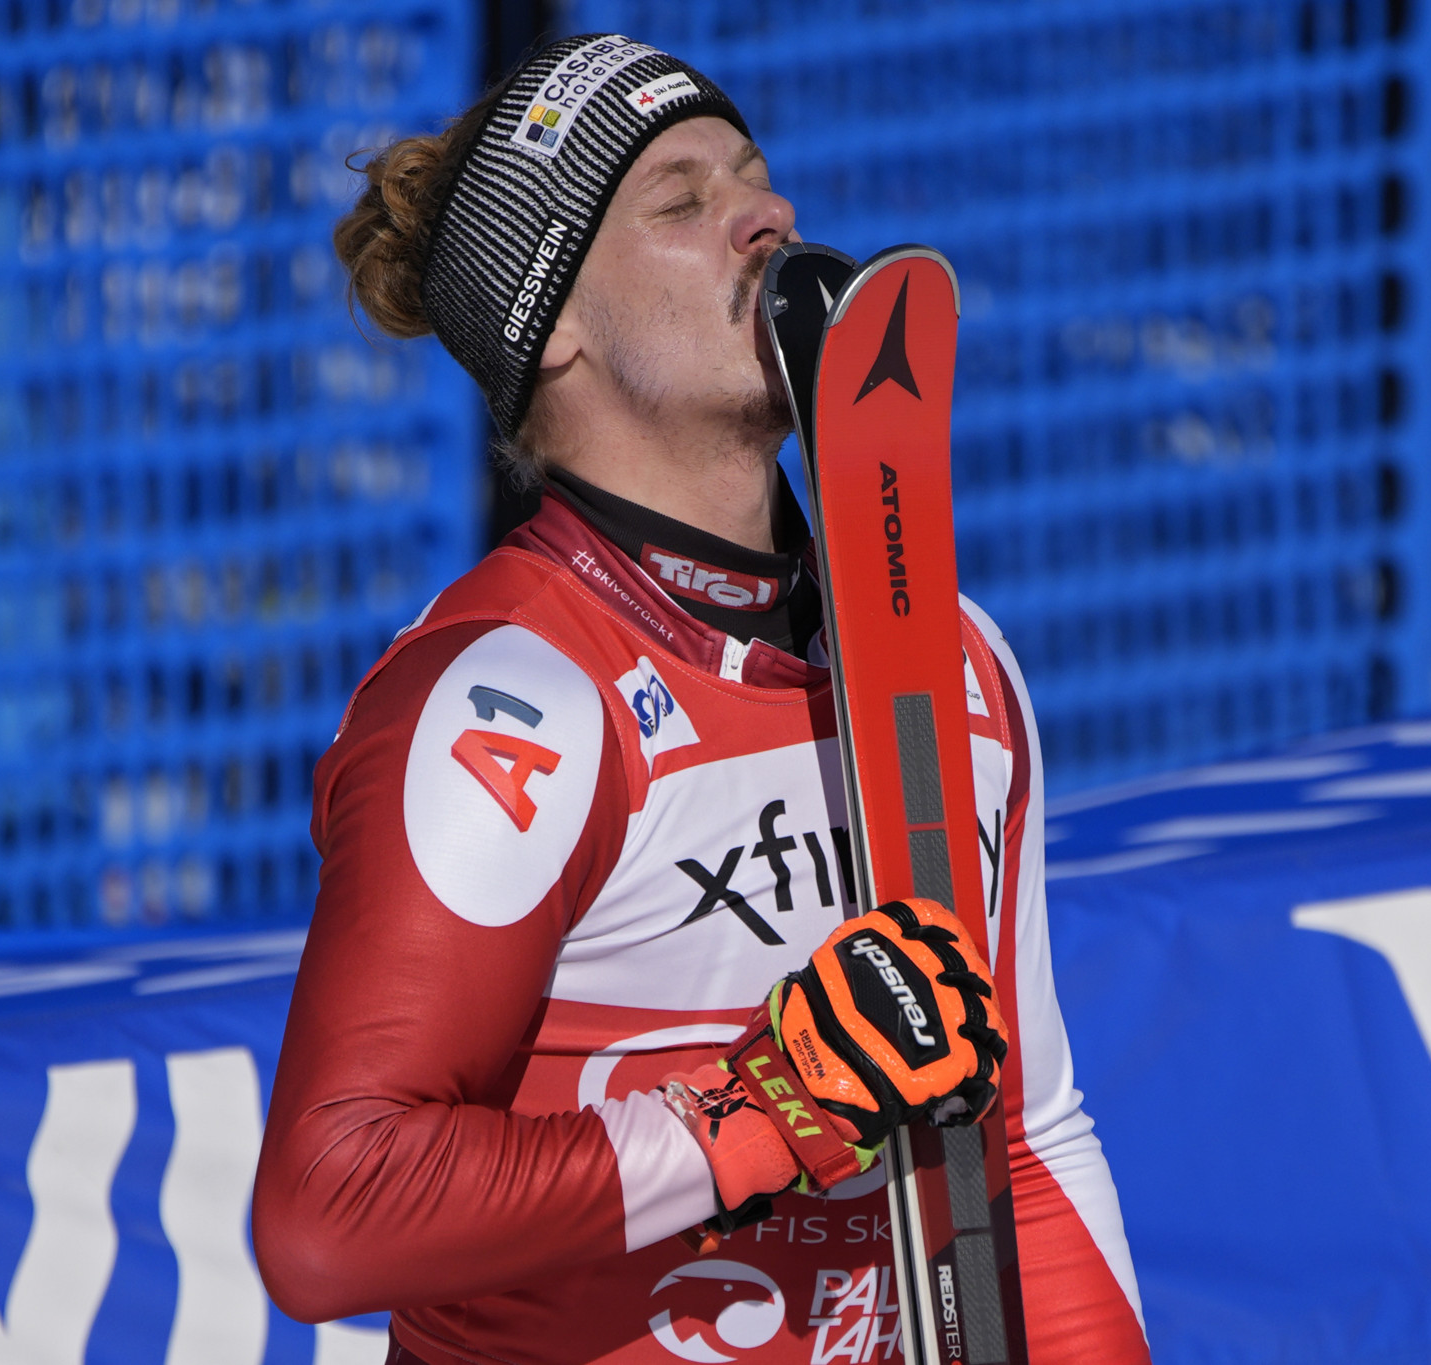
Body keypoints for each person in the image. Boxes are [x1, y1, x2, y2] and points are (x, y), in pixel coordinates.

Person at [251, 33, 1151, 1365]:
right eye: (680, 203)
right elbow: (332, 1208)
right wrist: (760, 1114)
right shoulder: (517, 698)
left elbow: (1020, 1144)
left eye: (757, 179)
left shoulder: (955, 661)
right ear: (553, 324)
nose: (767, 218)